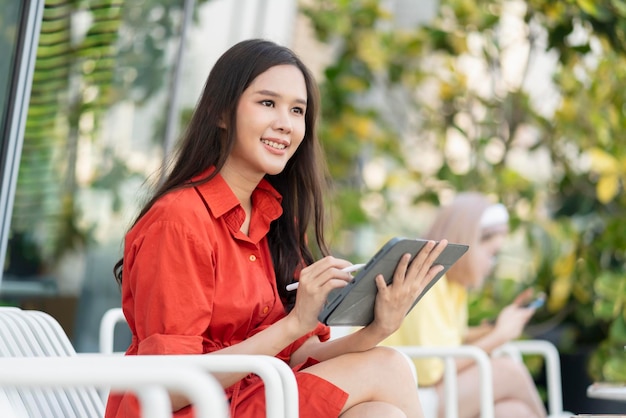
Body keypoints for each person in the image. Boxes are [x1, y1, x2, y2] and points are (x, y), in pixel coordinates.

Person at [104, 38, 449, 418]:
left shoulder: (276, 220)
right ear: (221, 113)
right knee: (389, 368)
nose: (285, 124)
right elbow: (169, 388)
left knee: (380, 412)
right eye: (268, 103)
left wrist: (378, 328)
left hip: (257, 398)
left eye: (297, 110)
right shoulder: (179, 220)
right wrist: (294, 323)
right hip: (190, 409)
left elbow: (297, 354)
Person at [382, 192, 547, 418]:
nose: (492, 265)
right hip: (408, 395)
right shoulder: (422, 279)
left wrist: (494, 327)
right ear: (469, 241)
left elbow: (450, 340)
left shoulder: (453, 287)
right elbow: (432, 370)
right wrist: (499, 336)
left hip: (429, 390)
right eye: (492, 254)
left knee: (512, 411)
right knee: (508, 371)